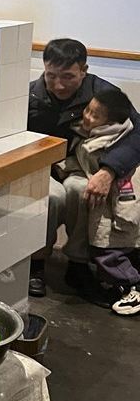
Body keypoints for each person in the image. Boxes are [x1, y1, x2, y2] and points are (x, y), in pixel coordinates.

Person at [27, 39, 140, 298]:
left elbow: (137, 132)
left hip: (84, 168)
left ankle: (77, 265)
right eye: (51, 75)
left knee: (81, 190)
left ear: (84, 70)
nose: (58, 85)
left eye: (68, 76)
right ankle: (36, 263)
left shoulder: (103, 94)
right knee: (51, 197)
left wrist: (108, 171)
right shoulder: (30, 94)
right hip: (40, 168)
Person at [55, 89, 139, 314]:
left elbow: (90, 169)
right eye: (87, 110)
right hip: (119, 204)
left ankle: (131, 289)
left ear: (110, 123)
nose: (87, 116)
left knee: (108, 250)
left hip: (118, 206)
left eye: (95, 115)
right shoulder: (100, 130)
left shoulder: (106, 142)